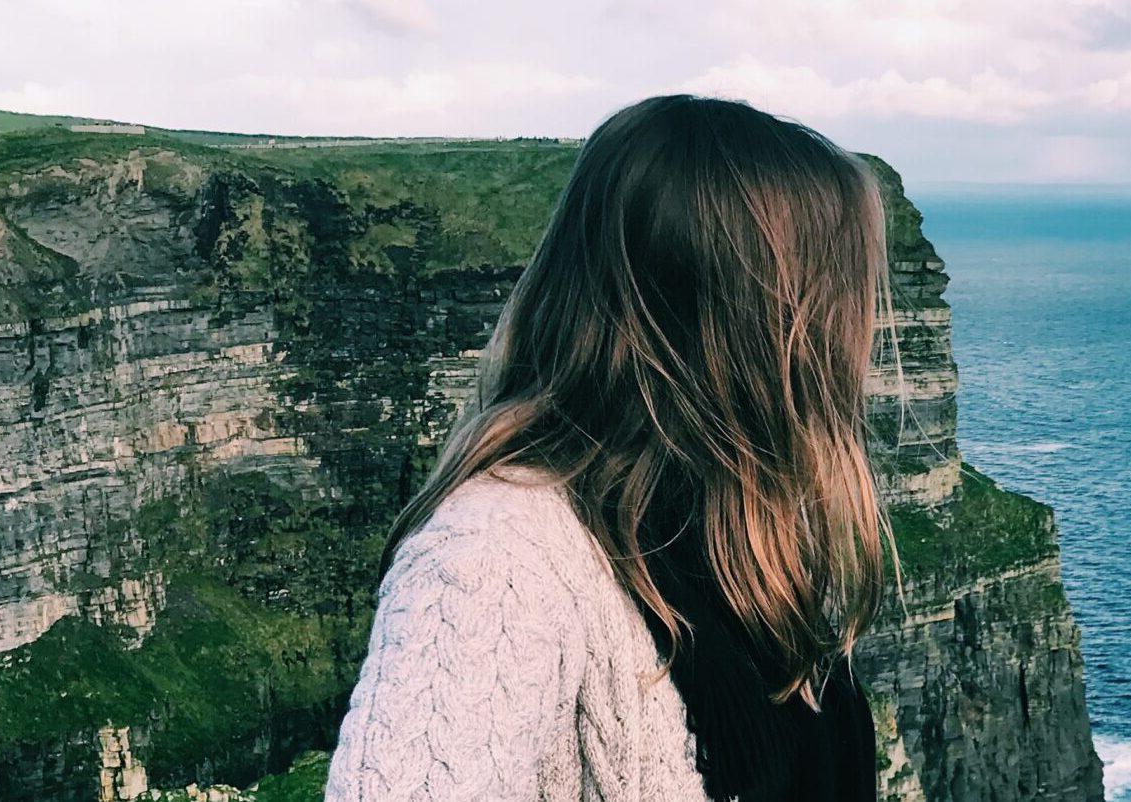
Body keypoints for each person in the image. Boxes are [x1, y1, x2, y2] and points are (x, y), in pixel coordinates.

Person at [326, 95, 891, 802]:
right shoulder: (494, 555)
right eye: (830, 297)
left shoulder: (737, 532)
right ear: (744, 317)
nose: (853, 341)